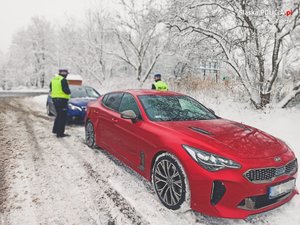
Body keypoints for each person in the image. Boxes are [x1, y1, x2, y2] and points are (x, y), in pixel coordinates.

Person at [50, 69, 71, 138]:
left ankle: (55, 130)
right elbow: (66, 91)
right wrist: (69, 92)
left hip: (55, 100)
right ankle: (60, 133)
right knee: (62, 117)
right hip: (62, 100)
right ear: (65, 74)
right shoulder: (63, 80)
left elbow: (51, 89)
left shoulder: (53, 80)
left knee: (58, 115)